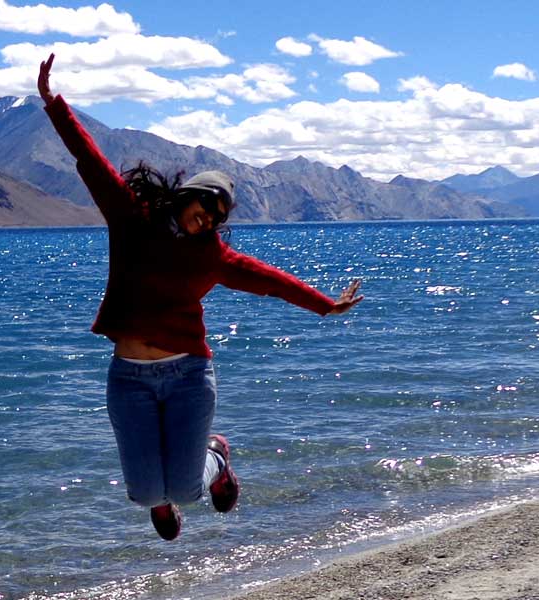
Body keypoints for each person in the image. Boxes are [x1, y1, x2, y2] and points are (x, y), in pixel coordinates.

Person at [37, 54, 363, 540]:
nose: (209, 218)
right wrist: (53, 102)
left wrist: (325, 304)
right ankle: (163, 498)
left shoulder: (213, 256)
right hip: (129, 378)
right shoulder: (132, 218)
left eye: (219, 216)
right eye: (206, 205)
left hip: (188, 374)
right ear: (187, 195)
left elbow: (270, 280)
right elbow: (91, 160)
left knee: (187, 489)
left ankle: (216, 457)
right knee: (147, 493)